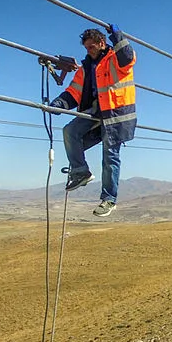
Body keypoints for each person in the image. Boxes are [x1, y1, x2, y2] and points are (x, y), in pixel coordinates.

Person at [49, 24, 137, 217]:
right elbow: (74, 92)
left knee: (110, 155)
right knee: (70, 132)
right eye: (86, 48)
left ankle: (109, 199)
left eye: (91, 46)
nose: (89, 51)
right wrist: (59, 104)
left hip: (116, 114)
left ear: (101, 42)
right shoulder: (86, 68)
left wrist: (118, 36)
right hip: (96, 111)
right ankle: (81, 172)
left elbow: (129, 57)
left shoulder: (115, 59)